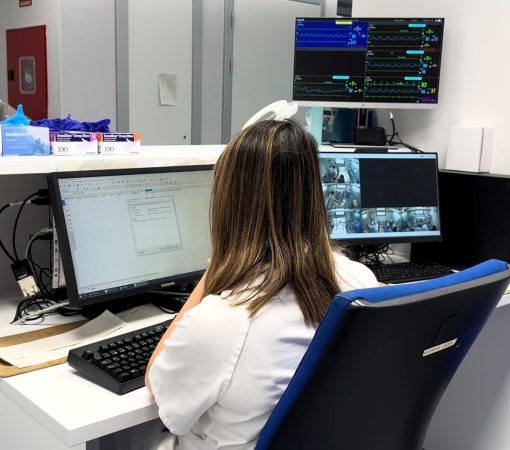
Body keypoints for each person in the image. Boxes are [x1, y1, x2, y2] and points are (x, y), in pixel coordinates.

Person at [144, 119, 378, 449]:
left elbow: (157, 383)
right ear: (314, 194)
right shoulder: (360, 282)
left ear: (229, 205)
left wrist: (218, 268)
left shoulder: (222, 322)